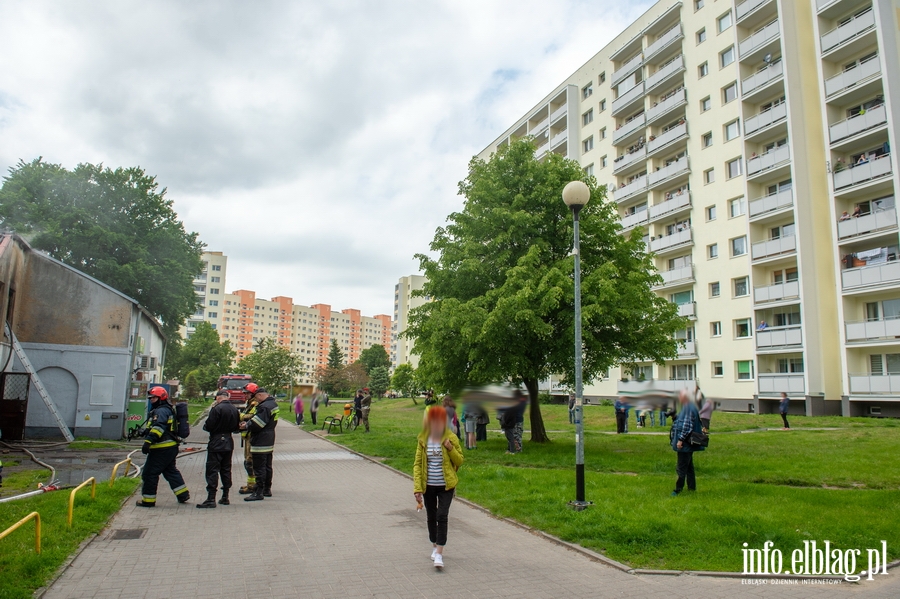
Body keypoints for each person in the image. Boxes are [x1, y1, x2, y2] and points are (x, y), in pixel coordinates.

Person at [413, 406, 463, 570]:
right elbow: (417, 465)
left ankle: (439, 553)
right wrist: (417, 488)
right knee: (431, 516)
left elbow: (459, 461)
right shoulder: (423, 439)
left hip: (446, 486)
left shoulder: (451, 437)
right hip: (428, 486)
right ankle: (434, 545)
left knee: (442, 516)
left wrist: (450, 448)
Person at [136, 387, 190, 507]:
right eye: (150, 398)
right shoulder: (165, 410)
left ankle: (148, 501)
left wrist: (148, 442)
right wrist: (145, 432)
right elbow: (159, 427)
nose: (152, 400)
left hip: (161, 448)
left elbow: (159, 427)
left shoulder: (161, 411)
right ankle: (183, 494)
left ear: (162, 398)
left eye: (154, 398)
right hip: (169, 447)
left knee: (149, 473)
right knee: (170, 471)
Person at [197, 390, 240, 508]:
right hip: (228, 441)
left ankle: (211, 498)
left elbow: (209, 425)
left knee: (212, 470)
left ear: (218, 397)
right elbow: (237, 427)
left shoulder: (216, 409)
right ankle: (225, 496)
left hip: (216, 442)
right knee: (226, 469)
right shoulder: (234, 409)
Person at [241, 384, 279, 501]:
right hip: (269, 438)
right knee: (267, 466)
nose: (255, 399)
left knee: (259, 467)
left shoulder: (264, 407)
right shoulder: (273, 404)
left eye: (256, 397)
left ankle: (258, 492)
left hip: (260, 441)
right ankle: (267, 489)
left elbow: (258, 424)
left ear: (260, 395)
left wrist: (246, 425)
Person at [670, 389, 704, 496]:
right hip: (687, 443)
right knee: (689, 467)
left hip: (685, 443)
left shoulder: (688, 408)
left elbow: (687, 426)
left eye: (680, 396)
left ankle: (678, 489)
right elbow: (682, 421)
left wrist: (680, 440)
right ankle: (691, 488)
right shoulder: (688, 407)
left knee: (681, 467)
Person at [238, 385, 262, 495]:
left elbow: (253, 416)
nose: (245, 395)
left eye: (247, 393)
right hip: (248, 436)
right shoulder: (250, 403)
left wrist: (241, 416)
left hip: (251, 436)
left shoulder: (255, 404)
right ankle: (250, 484)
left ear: (252, 394)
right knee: (247, 461)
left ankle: (252, 485)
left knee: (250, 461)